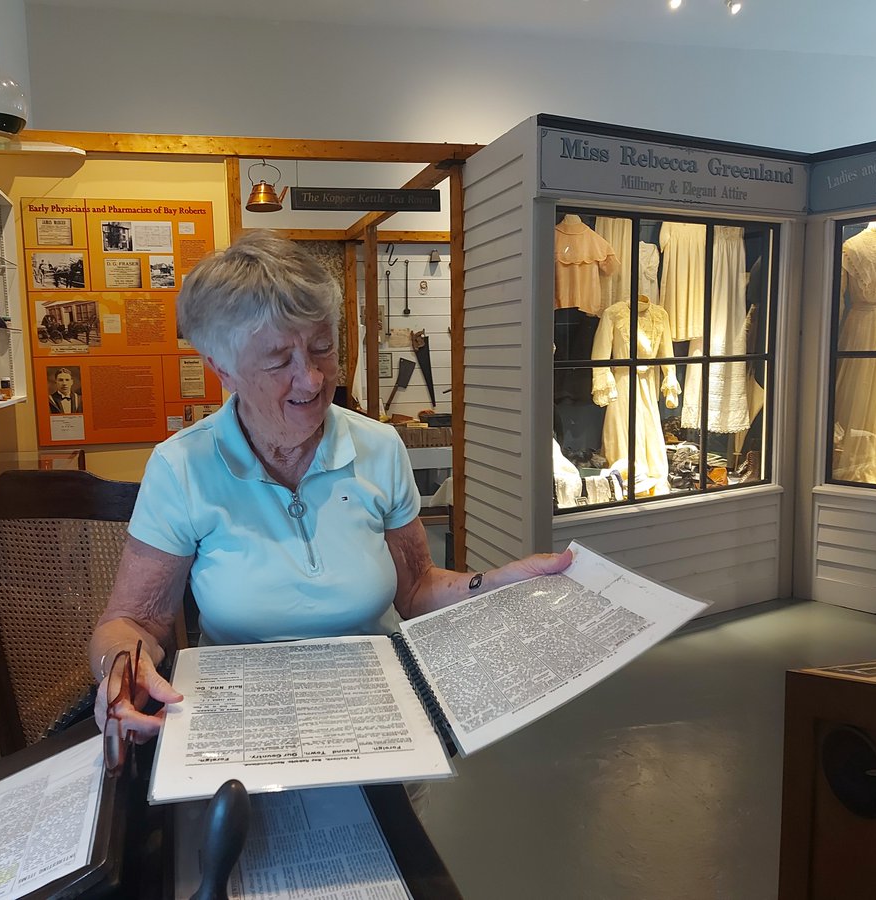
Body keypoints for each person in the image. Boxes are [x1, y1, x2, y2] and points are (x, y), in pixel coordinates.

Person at [89, 230, 572, 742]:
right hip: (249, 721)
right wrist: (119, 669)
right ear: (221, 369)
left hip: (378, 713)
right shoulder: (181, 466)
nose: (314, 379)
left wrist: (494, 585)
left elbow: (414, 589)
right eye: (279, 361)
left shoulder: (379, 447)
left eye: (322, 348)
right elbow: (132, 623)